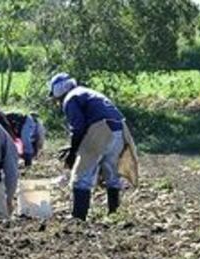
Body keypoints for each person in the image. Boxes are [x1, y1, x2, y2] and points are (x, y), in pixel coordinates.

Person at [49, 73, 138, 220]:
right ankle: (114, 214)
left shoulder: (70, 98)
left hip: (101, 130)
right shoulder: (86, 92)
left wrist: (73, 153)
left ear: (58, 91)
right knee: (112, 175)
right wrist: (74, 147)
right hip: (120, 130)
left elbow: (78, 128)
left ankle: (78, 217)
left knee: (81, 176)